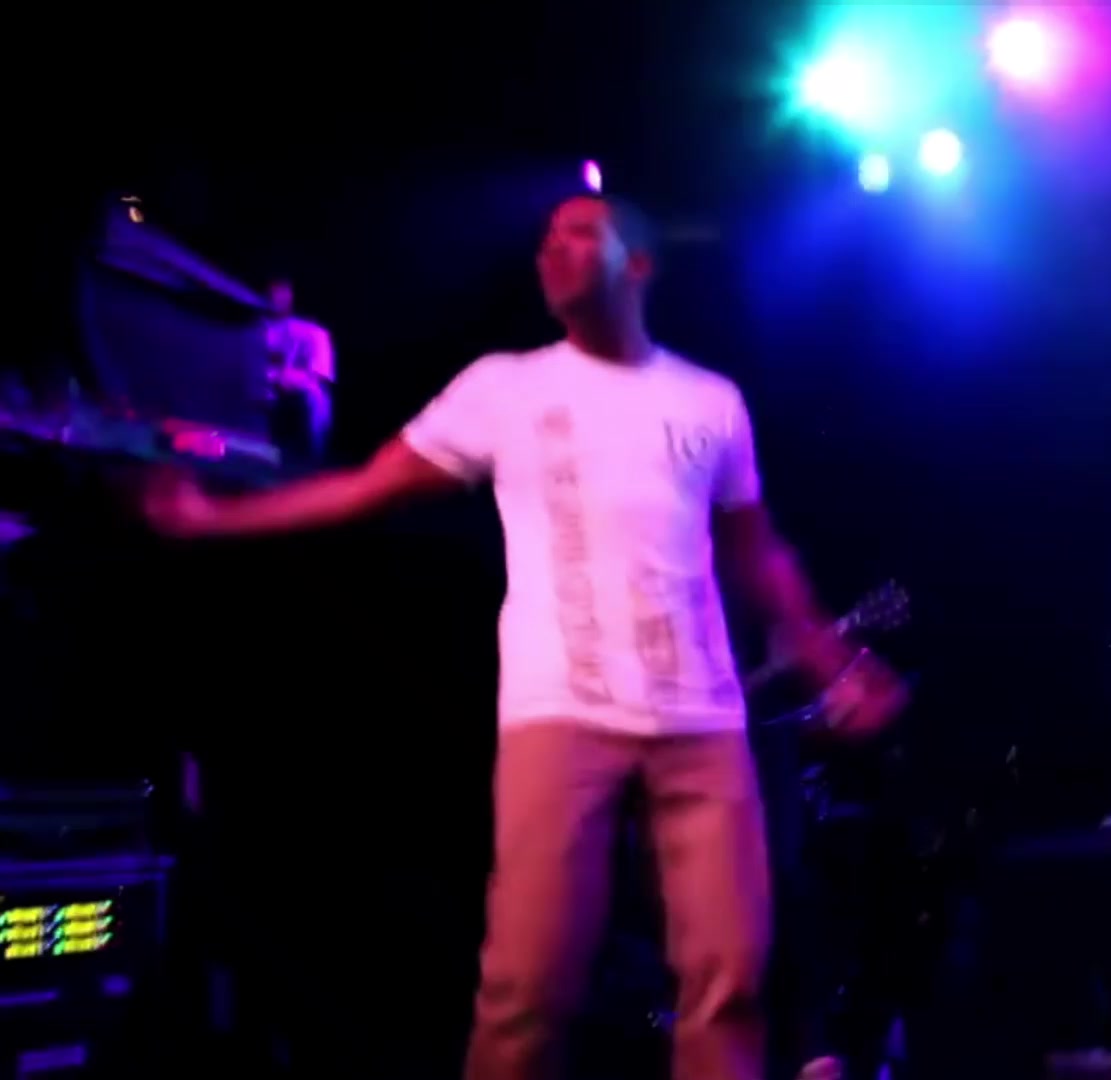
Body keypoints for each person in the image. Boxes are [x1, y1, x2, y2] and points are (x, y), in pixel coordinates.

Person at [145, 193, 908, 1080]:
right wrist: (214, 519)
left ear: (637, 266)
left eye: (581, 233)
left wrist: (832, 659)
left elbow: (756, 552)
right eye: (547, 237)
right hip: (561, 718)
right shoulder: (504, 387)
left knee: (728, 983)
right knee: (526, 992)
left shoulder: (710, 402)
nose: (554, 248)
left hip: (701, 724)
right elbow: (366, 487)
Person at [262, 278, 335, 465]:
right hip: (258, 389)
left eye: (282, 291)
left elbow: (319, 376)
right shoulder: (251, 328)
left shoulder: (313, 333)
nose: (276, 297)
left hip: (293, 394)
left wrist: (285, 378)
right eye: (272, 291)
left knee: (316, 399)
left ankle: (310, 463)